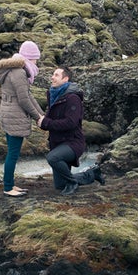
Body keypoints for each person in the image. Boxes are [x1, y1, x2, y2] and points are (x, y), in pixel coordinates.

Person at [0, 40, 45, 197]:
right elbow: (24, 99)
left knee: (12, 152)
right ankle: (8, 187)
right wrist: (37, 117)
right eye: (35, 58)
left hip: (8, 113)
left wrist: (41, 115)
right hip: (14, 116)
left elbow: (28, 95)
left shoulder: (14, 70)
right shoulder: (19, 72)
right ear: (28, 57)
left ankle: (10, 184)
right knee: (13, 153)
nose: (36, 62)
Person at [38, 66, 104, 195]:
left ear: (65, 79)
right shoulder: (53, 95)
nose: (52, 77)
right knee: (60, 185)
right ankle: (92, 174)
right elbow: (51, 119)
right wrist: (43, 122)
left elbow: (71, 123)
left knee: (52, 158)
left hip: (73, 143)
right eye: (53, 74)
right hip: (57, 143)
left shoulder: (73, 98)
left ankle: (72, 183)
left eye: (56, 75)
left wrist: (46, 122)